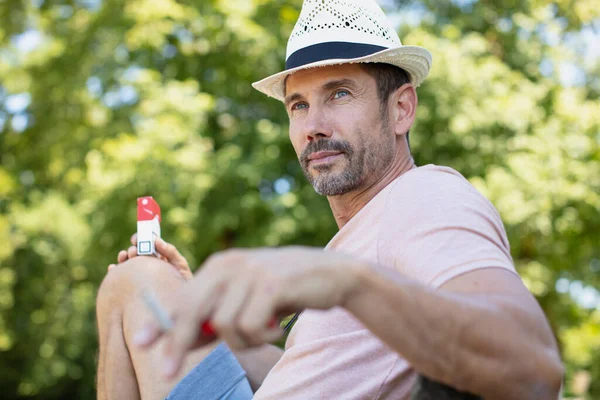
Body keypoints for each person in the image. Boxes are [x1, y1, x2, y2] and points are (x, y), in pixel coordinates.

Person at [95, 0, 564, 399]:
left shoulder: (425, 195)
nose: (313, 124)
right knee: (147, 287)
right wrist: (209, 311)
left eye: (339, 94)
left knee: (135, 281)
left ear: (401, 109)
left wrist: (339, 279)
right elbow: (303, 378)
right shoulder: (363, 233)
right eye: (298, 104)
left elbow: (535, 365)